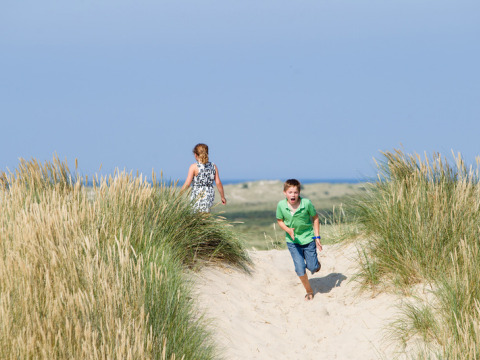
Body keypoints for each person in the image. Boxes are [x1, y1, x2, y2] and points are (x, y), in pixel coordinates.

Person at [276, 179, 322, 301]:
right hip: (293, 242)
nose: (293, 195)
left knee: (312, 267)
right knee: (300, 267)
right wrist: (288, 230)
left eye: (295, 192)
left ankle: (316, 265)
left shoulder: (306, 203)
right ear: (285, 193)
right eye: (290, 192)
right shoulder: (281, 205)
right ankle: (309, 291)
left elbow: (315, 218)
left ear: (299, 193)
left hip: (308, 239)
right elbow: (279, 220)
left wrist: (317, 237)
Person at [181, 143, 226, 212]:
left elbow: (187, 183)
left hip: (197, 194)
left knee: (196, 216)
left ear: (196, 155)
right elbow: (218, 182)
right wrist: (222, 197)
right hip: (209, 194)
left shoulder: (194, 167)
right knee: (206, 216)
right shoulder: (213, 166)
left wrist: (179, 195)